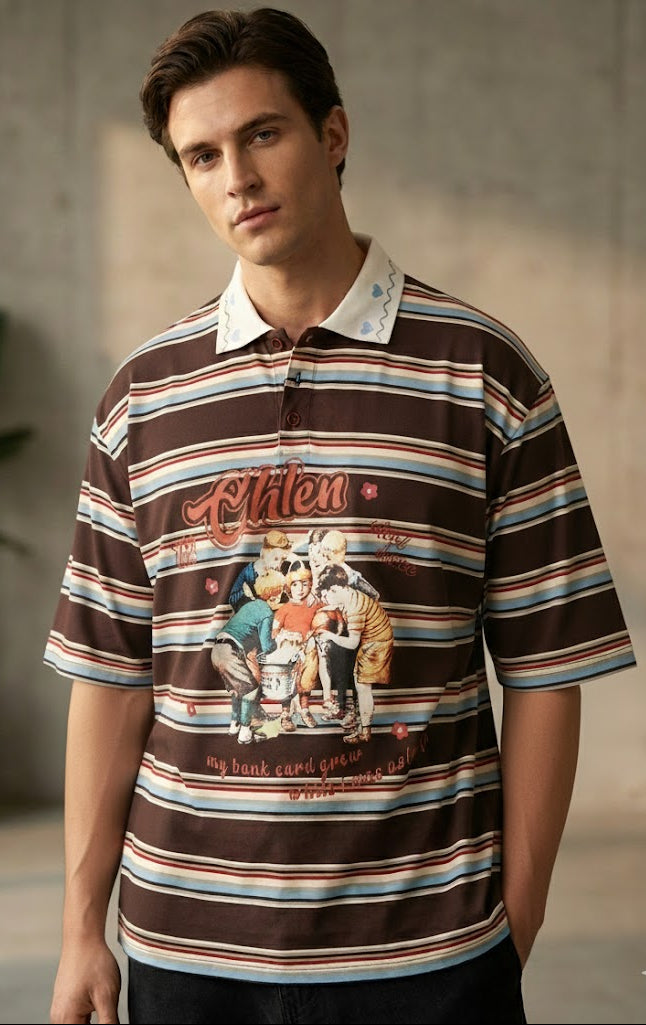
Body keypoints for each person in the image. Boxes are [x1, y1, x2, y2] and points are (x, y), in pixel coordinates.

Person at [44, 7, 636, 1025]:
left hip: (430, 953)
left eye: (262, 134)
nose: (237, 177)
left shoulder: (485, 374)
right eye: (202, 156)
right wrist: (78, 929)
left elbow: (547, 666)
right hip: (188, 949)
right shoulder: (143, 400)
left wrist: (515, 919)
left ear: (333, 134)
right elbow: (110, 675)